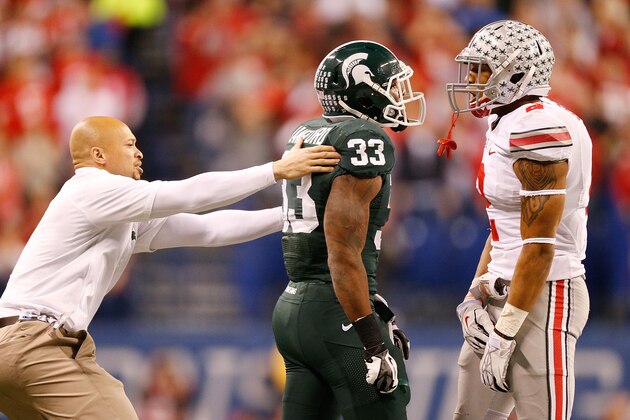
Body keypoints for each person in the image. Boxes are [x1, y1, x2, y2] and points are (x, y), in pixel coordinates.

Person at [0, 115, 340, 418]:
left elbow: (210, 229)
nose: (139, 153)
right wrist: (275, 170)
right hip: (36, 344)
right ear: (98, 156)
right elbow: (190, 193)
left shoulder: (117, 211)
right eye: (129, 144)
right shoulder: (92, 188)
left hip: (27, 345)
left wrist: (297, 215)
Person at [443, 20, 592, 419]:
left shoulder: (538, 126)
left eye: (482, 69)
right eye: (471, 68)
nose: (472, 79)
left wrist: (507, 330)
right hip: (503, 290)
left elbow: (540, 246)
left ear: (519, 73)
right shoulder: (507, 121)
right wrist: (475, 293)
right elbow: (504, 229)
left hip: (545, 293)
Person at [271, 40, 426, 419]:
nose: (396, 94)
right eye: (388, 85)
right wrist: (372, 340)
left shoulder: (307, 130)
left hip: (294, 307)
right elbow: (341, 251)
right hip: (335, 310)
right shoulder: (364, 139)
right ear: (361, 89)